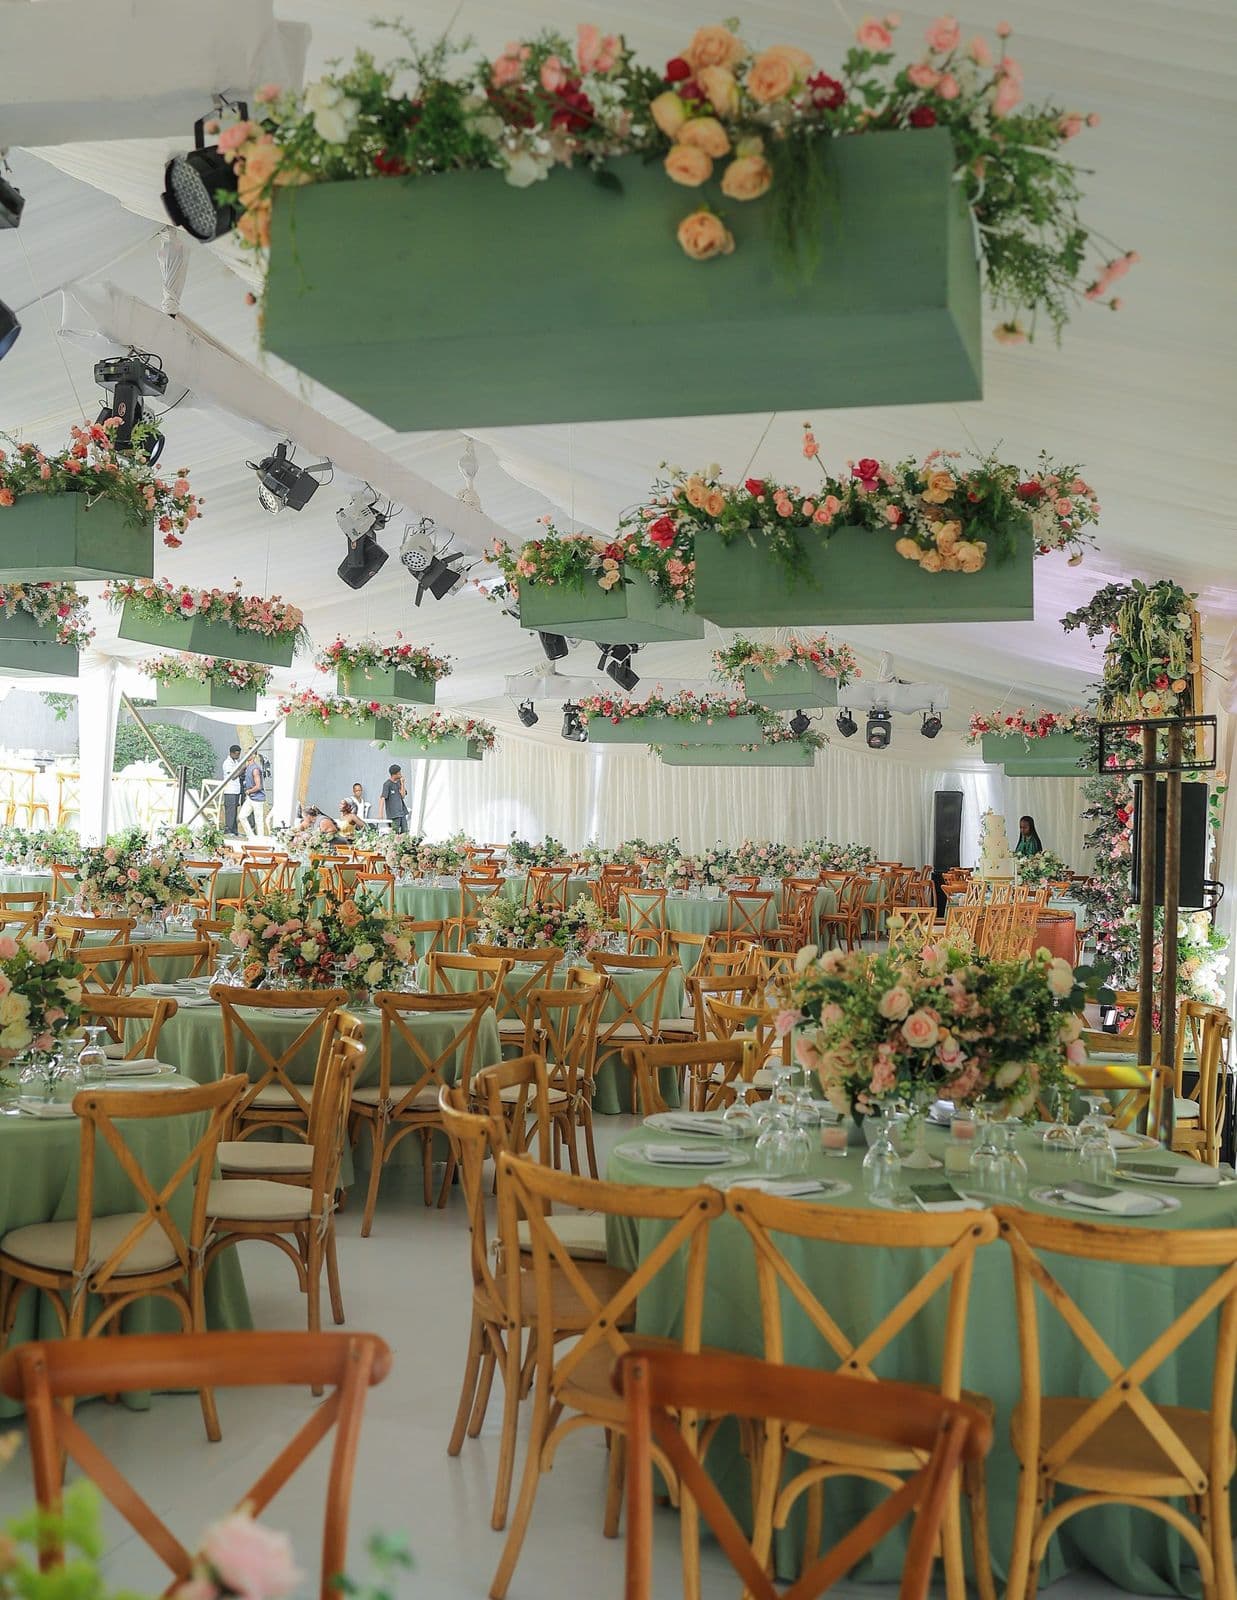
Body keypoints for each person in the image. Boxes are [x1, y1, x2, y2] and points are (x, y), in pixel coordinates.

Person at [238, 749, 267, 838]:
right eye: (247, 753)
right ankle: (251, 836)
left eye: (249, 754)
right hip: (250, 797)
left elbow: (258, 786)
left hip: (257, 798)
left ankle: (260, 839)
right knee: (242, 816)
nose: (247, 755)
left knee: (258, 820)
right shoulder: (248, 767)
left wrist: (249, 791)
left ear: (254, 756)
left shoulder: (255, 769)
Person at [221, 744, 244, 835]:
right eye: (236, 754)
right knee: (230, 811)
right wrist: (242, 769)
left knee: (234, 810)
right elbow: (233, 776)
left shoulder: (235, 762)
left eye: (239, 754)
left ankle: (234, 830)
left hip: (236, 790)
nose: (238, 756)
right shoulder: (227, 763)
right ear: (231, 753)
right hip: (230, 790)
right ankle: (228, 829)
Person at [379, 763, 408, 834]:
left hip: (402, 813)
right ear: (394, 774)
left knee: (405, 832)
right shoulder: (387, 784)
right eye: (399, 773)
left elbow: (403, 796)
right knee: (395, 833)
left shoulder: (399, 782)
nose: (400, 774)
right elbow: (382, 798)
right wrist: (380, 814)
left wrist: (403, 783)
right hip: (393, 815)